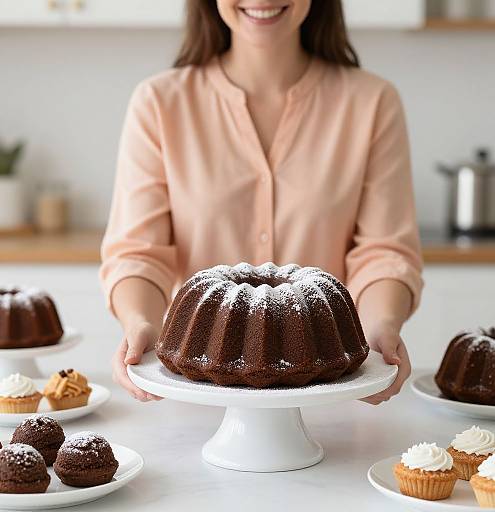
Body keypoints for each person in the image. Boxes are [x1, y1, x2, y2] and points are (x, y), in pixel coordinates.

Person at [100, 0, 424, 405]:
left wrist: (382, 326)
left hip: (328, 407)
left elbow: (384, 253)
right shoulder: (159, 102)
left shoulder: (372, 101)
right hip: (200, 403)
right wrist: (141, 322)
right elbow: (137, 254)